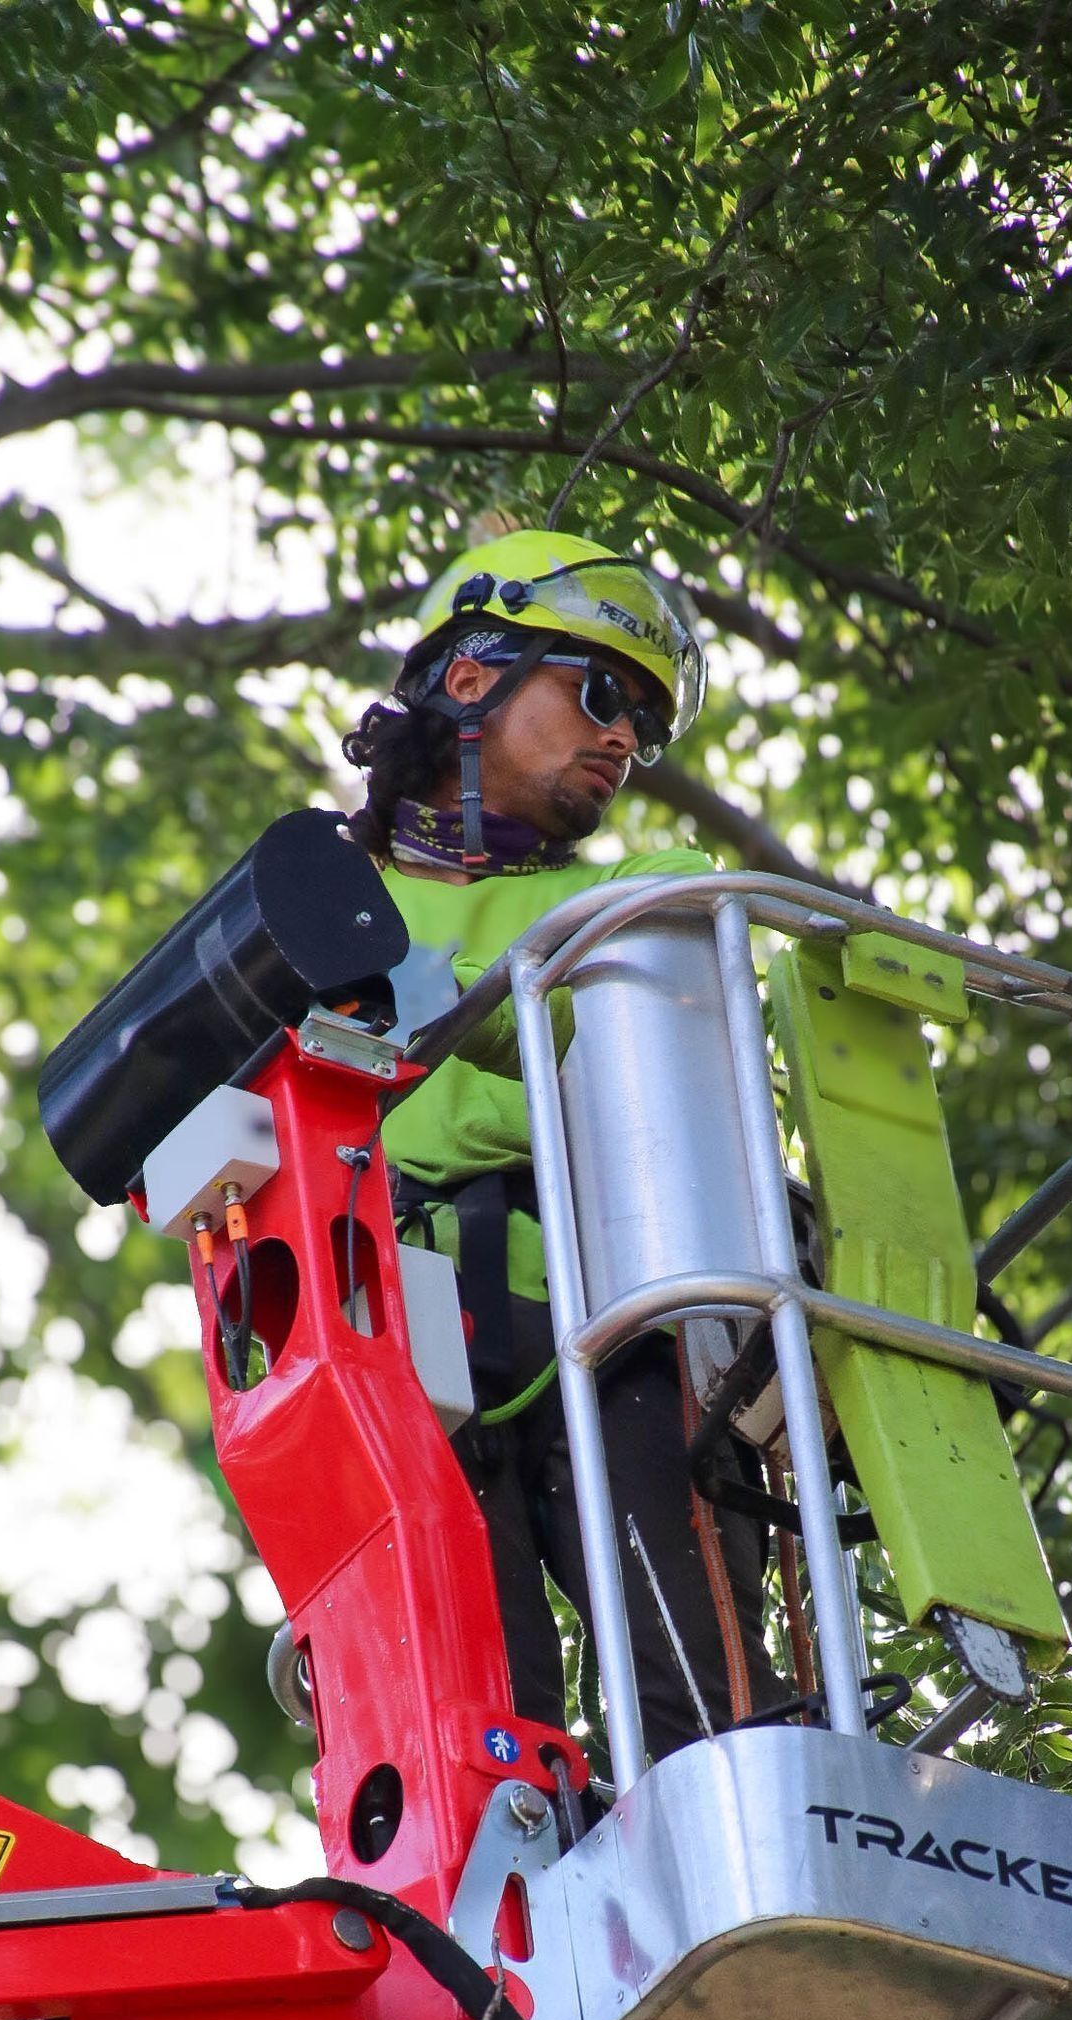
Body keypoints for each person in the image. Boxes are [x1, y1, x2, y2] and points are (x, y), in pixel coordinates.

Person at [342, 526, 785, 1763]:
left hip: (616, 1328)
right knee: (472, 1735)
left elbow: (641, 1024)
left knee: (698, 1708)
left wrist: (445, 997)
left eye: (643, 719)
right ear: (473, 674)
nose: (624, 740)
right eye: (599, 692)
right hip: (397, 1340)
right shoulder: (317, 893)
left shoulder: (641, 887)